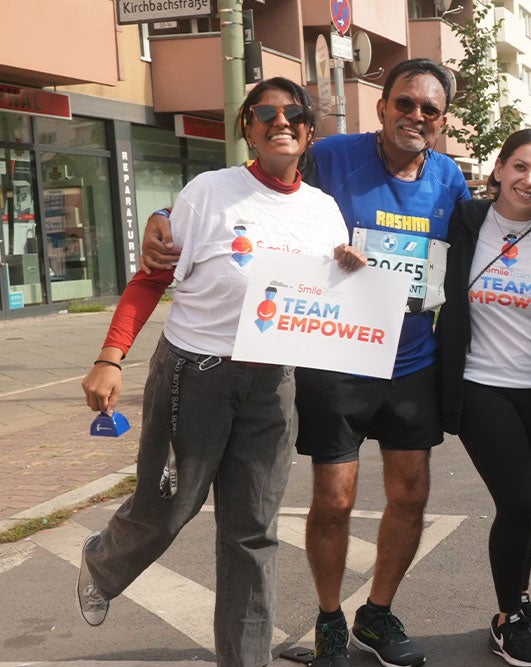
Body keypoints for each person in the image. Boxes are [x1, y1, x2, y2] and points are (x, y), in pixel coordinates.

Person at [141, 58, 469, 667]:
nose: (415, 116)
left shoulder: (450, 178)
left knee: (411, 492)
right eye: (405, 103)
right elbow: (261, 177)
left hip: (412, 359)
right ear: (383, 106)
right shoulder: (335, 153)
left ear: (443, 120)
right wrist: (163, 218)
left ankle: (377, 612)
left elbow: (480, 235)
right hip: (336, 355)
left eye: (429, 109)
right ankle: (328, 619)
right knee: (336, 500)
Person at [77, 77, 364, 666]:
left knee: (253, 530)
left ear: (309, 130)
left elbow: (329, 304)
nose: (280, 121)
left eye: (293, 114)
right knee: (168, 509)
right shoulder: (210, 191)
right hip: (193, 375)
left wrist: (353, 273)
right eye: (265, 113)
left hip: (271, 384)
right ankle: (102, 559)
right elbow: (152, 279)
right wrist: (110, 357)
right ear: (247, 129)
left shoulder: (325, 211)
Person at [436, 129, 531, 667]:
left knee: (525, 503)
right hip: (480, 383)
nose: (529, 180)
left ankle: (519, 603)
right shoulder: (466, 221)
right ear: (498, 169)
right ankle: (506, 617)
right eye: (520, 168)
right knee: (518, 498)